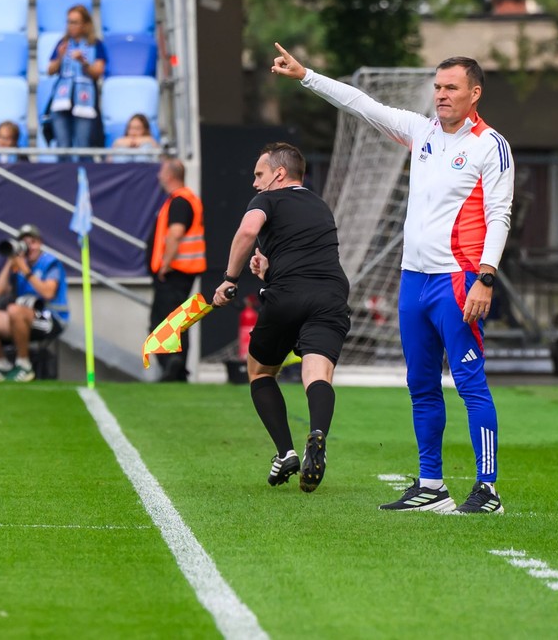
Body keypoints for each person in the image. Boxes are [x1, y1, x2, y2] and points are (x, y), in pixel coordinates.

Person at [272, 43, 514, 514]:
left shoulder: (490, 145)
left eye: (451, 88)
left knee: (469, 383)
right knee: (421, 384)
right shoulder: (420, 132)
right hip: (414, 280)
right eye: (438, 87)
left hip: (459, 280)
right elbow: (361, 104)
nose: (441, 95)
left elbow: (499, 215)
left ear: (475, 93)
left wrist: (486, 277)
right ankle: (431, 484)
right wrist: (306, 75)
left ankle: (488, 489)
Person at [212, 142, 351, 493]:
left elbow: (247, 231)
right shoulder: (320, 205)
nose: (255, 183)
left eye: (259, 174)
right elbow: (303, 255)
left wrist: (230, 278)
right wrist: (267, 268)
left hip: (288, 296)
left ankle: (286, 451)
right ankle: (317, 434)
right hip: (331, 294)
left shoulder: (268, 200)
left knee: (260, 371)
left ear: (278, 174)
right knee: (317, 373)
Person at [0, 224, 69, 382]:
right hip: (20, 317)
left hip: (51, 318)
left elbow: (48, 292)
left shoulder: (50, 263)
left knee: (14, 310)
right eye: (24, 243)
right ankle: (1, 365)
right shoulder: (18, 264)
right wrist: (10, 260)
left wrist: (25, 270)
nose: (29, 247)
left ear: (39, 243)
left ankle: (24, 365)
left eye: (32, 242)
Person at [148, 158, 206, 382]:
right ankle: (177, 368)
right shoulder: (183, 199)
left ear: (171, 175)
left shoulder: (180, 201)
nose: (159, 176)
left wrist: (165, 264)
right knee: (176, 321)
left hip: (175, 273)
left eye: (162, 171)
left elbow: (175, 233)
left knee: (163, 322)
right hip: (180, 272)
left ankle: (172, 367)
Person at [46, 5, 106, 161]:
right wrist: (59, 56)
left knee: (83, 145)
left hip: (84, 102)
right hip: (61, 100)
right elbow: (50, 70)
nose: (70, 26)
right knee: (62, 146)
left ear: (85, 24)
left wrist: (83, 62)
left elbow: (97, 73)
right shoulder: (63, 43)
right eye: (69, 22)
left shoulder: (96, 45)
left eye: (75, 22)